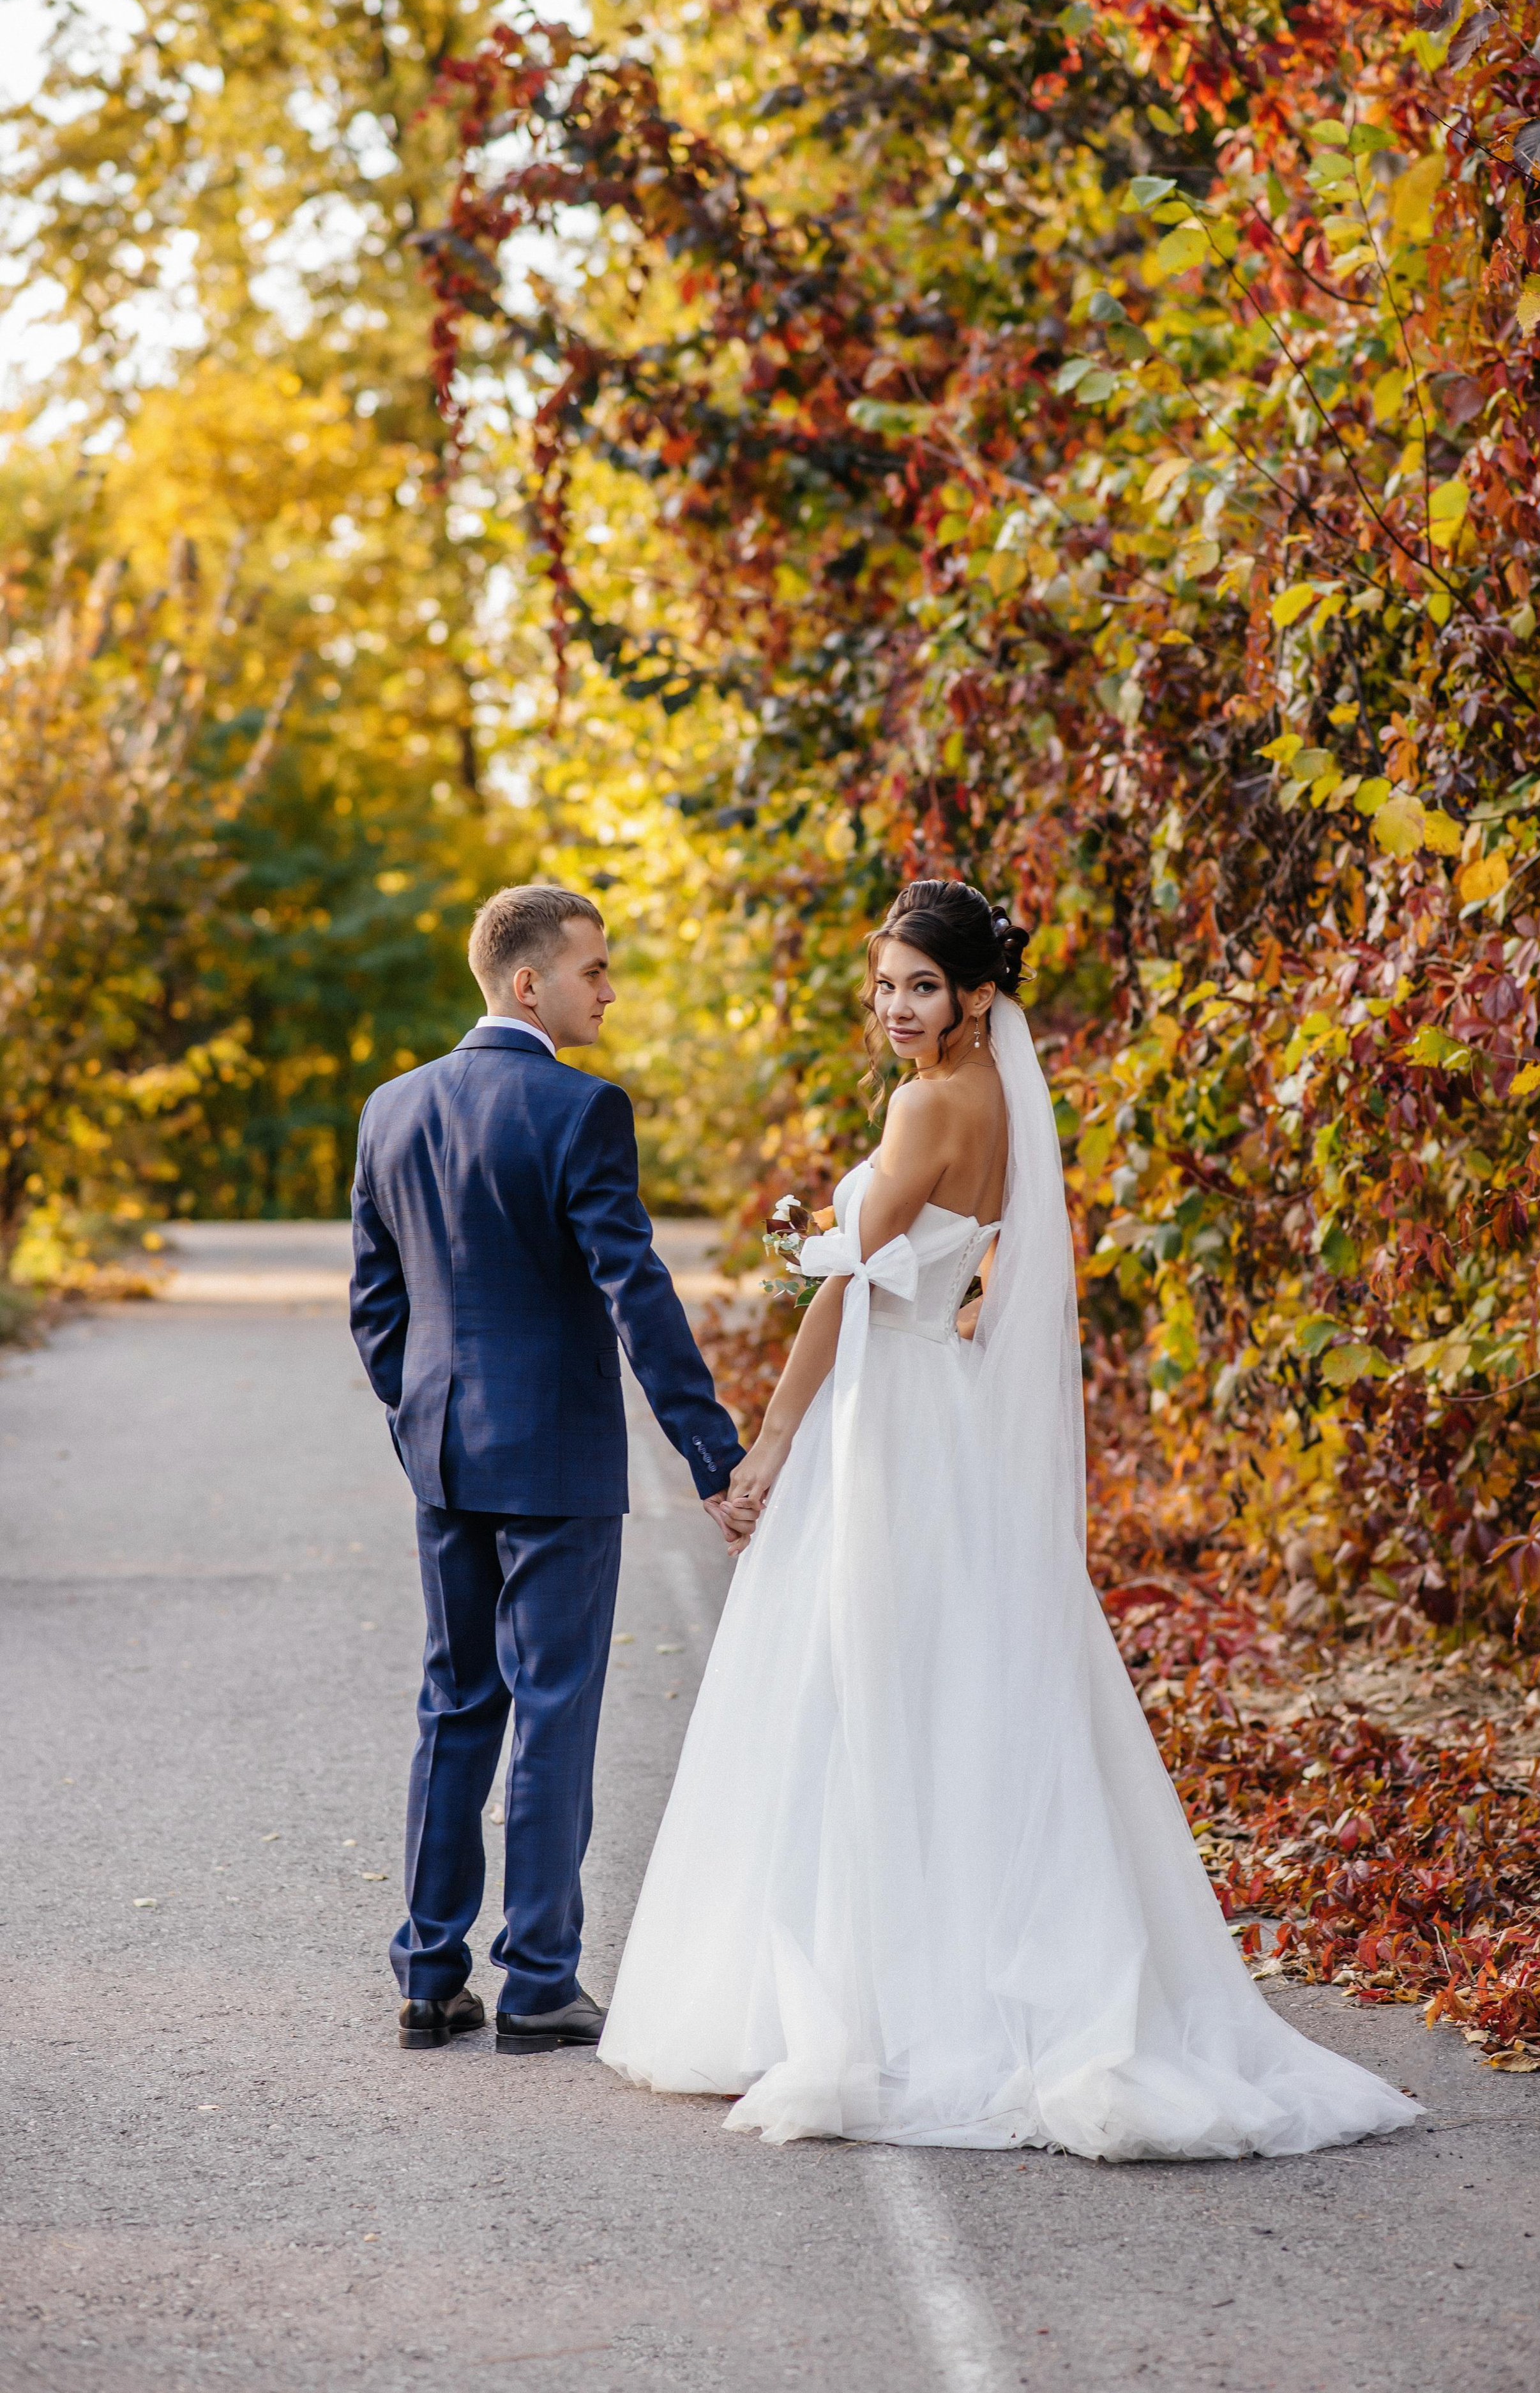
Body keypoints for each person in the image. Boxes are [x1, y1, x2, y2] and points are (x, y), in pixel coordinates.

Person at [599, 879, 1419, 2159]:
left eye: (920, 986)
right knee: (957, 1679)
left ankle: (877, 1997)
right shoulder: (992, 1100)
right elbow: (959, 1262)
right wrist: (879, 1268)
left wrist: (773, 1435)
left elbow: (850, 1288)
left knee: (865, 1679)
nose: (894, 1007)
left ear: (976, 994)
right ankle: (949, 1968)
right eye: (884, 985)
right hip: (945, 1402)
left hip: (888, 1414)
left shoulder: (924, 1104)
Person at [349, 884, 750, 2055]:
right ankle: (537, 1979)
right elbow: (637, 1291)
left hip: (443, 1455)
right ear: (530, 983)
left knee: (455, 1703)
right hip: (560, 1461)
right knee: (555, 1708)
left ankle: (429, 1975)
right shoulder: (583, 1109)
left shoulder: (391, 1107)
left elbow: (377, 1305)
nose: (609, 989)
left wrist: (422, 1417)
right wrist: (712, 1453)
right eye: (595, 969)